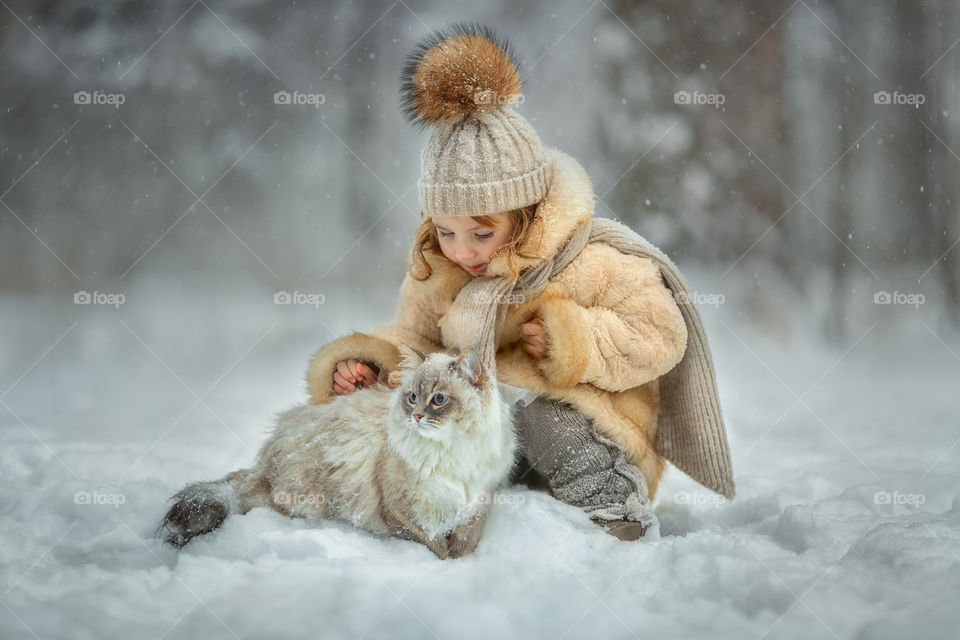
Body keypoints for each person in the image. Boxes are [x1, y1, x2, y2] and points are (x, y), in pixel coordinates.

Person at [305, 23, 734, 541]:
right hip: (492, 439)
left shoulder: (591, 261)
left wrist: (575, 340)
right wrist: (372, 364)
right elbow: (419, 342)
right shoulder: (440, 275)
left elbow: (661, 335)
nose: (462, 252)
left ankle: (616, 512)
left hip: (594, 437)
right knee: (415, 425)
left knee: (536, 410)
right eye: (446, 232)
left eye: (481, 233)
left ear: (525, 216)